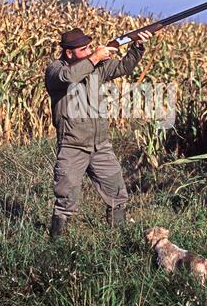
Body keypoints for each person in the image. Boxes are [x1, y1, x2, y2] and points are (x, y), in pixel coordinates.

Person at [45, 27, 152, 238]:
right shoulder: (55, 70)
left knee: (117, 193)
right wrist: (94, 58)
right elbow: (69, 77)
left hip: (100, 145)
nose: (89, 51)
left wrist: (137, 46)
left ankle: (118, 241)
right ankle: (56, 246)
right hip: (72, 145)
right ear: (69, 53)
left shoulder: (96, 68)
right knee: (66, 199)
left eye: (89, 47)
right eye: (84, 49)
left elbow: (124, 67)